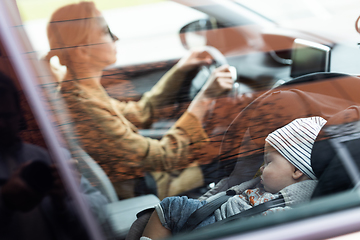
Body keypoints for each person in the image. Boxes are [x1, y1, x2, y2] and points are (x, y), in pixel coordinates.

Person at [45, 1, 234, 199]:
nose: (116, 38)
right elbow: (162, 157)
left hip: (144, 176)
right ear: (82, 50)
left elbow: (141, 112)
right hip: (145, 188)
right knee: (226, 156)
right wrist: (205, 98)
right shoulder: (84, 106)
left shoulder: (82, 91)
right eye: (106, 32)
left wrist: (180, 68)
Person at [140, 116, 326, 239]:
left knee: (171, 207)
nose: (261, 168)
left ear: (297, 170)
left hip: (224, 227)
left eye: (268, 162)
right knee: (169, 206)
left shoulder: (296, 204)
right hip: (216, 214)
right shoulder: (266, 183)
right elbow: (229, 189)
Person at [0, 71, 109, 239]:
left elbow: (100, 206)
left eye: (7, 115)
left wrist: (64, 202)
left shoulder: (46, 157)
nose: (2, 125)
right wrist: (5, 201)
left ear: (20, 115)